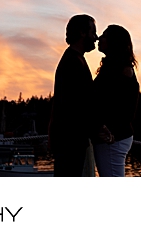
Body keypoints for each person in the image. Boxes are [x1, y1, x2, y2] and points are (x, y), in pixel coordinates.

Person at [48, 14, 98, 176]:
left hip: (70, 140)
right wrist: (97, 128)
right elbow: (76, 106)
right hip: (70, 142)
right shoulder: (73, 63)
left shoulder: (75, 59)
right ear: (82, 33)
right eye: (93, 32)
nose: (96, 38)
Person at [92, 24, 140, 177]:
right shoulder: (114, 68)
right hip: (114, 137)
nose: (100, 38)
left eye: (105, 36)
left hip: (112, 139)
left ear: (114, 42)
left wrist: (106, 129)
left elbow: (123, 109)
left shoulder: (121, 71)